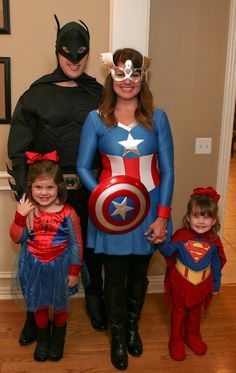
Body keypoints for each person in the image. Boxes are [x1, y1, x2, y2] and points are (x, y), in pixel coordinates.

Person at [7, 15, 107, 345]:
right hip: (45, 193)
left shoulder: (100, 94)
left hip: (89, 191)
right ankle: (32, 315)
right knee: (35, 253)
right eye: (68, 52)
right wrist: (29, 199)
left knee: (89, 251)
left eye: (81, 52)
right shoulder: (35, 95)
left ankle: (94, 300)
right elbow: (19, 151)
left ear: (89, 52)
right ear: (57, 51)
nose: (74, 59)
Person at [77, 48, 174, 370]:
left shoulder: (158, 117)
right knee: (114, 278)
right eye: (121, 73)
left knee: (138, 276)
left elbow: (169, 170)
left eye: (135, 74)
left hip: (149, 212)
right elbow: (82, 168)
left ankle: (132, 328)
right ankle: (117, 337)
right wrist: (105, 198)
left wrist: (161, 217)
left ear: (143, 77)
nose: (128, 80)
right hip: (111, 216)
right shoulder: (96, 119)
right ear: (111, 75)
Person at [9, 150, 83, 362]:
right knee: (40, 304)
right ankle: (43, 339)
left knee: (60, 305)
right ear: (30, 188)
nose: (44, 192)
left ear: (59, 187)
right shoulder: (28, 211)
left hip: (60, 266)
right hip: (33, 266)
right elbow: (16, 237)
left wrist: (74, 271)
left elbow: (77, 244)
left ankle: (58, 340)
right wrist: (20, 216)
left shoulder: (68, 213)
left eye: (49, 187)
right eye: (38, 187)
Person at [158, 186, 227, 361]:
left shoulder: (214, 241)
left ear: (214, 221)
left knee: (196, 312)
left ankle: (192, 336)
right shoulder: (181, 236)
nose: (201, 221)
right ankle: (176, 339)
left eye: (207, 216)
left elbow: (216, 263)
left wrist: (216, 284)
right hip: (181, 283)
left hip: (202, 285)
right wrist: (160, 240)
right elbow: (167, 251)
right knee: (179, 311)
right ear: (188, 218)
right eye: (196, 216)